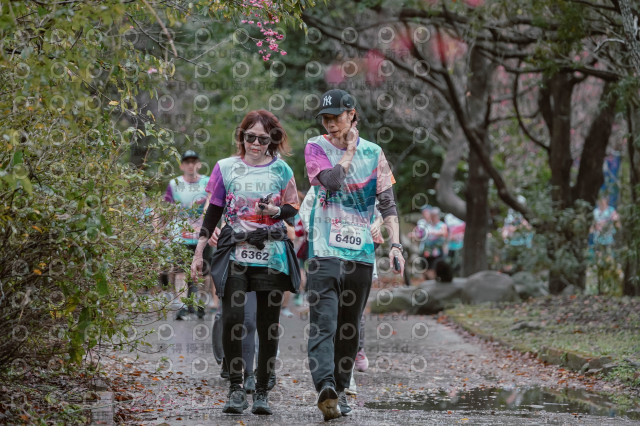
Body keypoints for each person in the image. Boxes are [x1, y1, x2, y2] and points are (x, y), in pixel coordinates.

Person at [191, 110, 300, 416]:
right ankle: (236, 388)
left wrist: (275, 211)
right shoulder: (225, 168)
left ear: (272, 140)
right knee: (233, 318)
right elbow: (213, 212)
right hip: (235, 252)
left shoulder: (282, 170)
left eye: (263, 139)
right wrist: (199, 251)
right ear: (241, 137)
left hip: (271, 254)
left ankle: (262, 390)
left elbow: (292, 209)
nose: (255, 143)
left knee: (267, 324)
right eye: (250, 137)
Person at [304, 89, 404, 420]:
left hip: (360, 253)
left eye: (336, 117)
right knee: (324, 323)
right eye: (325, 118)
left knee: (350, 329)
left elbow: (387, 202)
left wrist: (396, 245)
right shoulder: (316, 147)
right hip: (324, 252)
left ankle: (341, 388)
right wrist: (348, 152)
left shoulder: (374, 153)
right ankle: (325, 387)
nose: (330, 123)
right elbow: (332, 181)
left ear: (352, 114)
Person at [164, 150, 210, 320]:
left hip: (202, 235)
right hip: (180, 235)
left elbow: (213, 205)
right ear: (182, 165)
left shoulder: (207, 182)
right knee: (181, 272)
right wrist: (163, 232)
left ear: (198, 164)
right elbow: (166, 209)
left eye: (194, 161)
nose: (191, 165)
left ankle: (200, 304)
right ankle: (183, 306)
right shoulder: (174, 183)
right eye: (187, 162)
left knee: (202, 272)